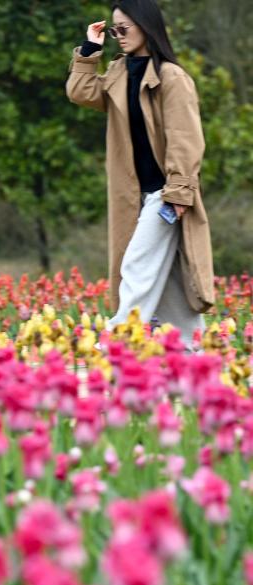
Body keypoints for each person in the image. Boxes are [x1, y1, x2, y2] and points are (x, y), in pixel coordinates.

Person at [67, 0, 214, 350]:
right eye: (113, 30)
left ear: (146, 27)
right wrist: (89, 49)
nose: (118, 35)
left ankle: (117, 340)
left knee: (136, 264)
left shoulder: (172, 77)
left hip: (166, 194)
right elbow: (81, 92)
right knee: (171, 279)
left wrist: (180, 191)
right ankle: (192, 349)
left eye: (124, 28)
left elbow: (185, 138)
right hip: (135, 195)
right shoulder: (120, 72)